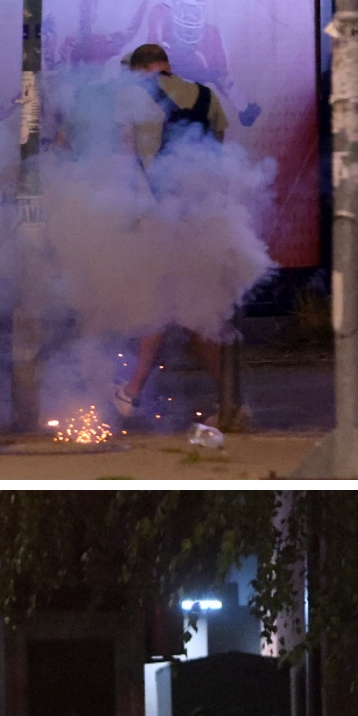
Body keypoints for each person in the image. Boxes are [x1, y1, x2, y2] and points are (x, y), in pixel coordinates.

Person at [110, 42, 243, 427]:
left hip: (160, 216)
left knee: (171, 304)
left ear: (140, 70)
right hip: (204, 218)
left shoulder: (132, 98)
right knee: (187, 306)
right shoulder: (207, 96)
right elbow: (217, 155)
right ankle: (228, 400)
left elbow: (124, 161)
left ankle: (134, 392)